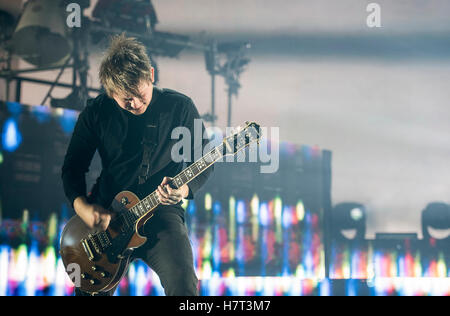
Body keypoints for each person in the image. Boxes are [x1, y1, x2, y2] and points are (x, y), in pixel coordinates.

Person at [61, 34, 213, 296]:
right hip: (108, 215)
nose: (136, 103)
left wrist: (184, 191)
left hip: (161, 213)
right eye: (125, 99)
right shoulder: (97, 112)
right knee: (89, 291)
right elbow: (72, 167)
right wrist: (82, 207)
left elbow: (206, 160)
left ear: (151, 74)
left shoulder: (180, 108)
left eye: (140, 94)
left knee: (184, 284)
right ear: (110, 93)